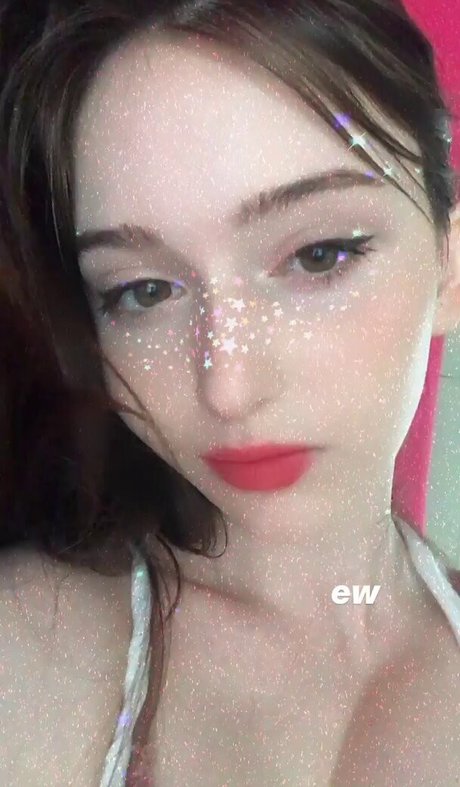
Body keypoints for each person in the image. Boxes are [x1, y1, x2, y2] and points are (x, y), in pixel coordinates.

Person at [0, 1, 459, 785]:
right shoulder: (32, 650)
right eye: (144, 291)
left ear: (448, 265)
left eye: (319, 255)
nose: (228, 389)